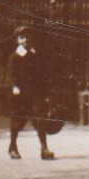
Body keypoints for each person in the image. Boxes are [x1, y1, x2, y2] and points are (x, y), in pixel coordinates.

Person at [5, 26, 54, 160]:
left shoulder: (34, 55)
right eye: (21, 37)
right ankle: (13, 146)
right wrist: (14, 87)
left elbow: (40, 75)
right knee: (17, 121)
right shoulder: (15, 57)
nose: (25, 40)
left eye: (26, 37)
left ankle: (44, 149)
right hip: (20, 94)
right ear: (17, 41)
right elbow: (11, 75)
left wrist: (45, 92)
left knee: (40, 119)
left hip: (34, 93)